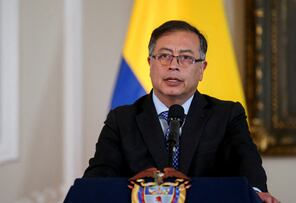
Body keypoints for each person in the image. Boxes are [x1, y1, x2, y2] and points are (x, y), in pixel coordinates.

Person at [84, 20, 279, 203]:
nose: (173, 66)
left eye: (185, 58)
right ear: (150, 63)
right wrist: (133, 187)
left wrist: (255, 197)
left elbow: (248, 169)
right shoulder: (121, 119)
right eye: (164, 56)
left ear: (202, 68)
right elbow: (95, 184)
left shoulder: (227, 116)